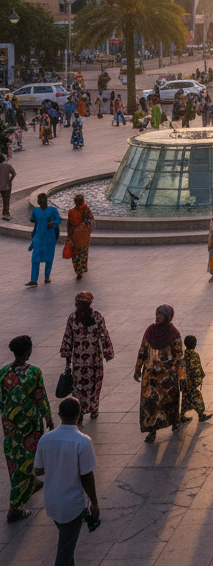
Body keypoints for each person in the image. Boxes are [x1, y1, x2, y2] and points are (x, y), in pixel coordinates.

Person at [32, 396, 99, 561]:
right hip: (72, 505)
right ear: (79, 414)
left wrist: (56, 464)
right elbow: (86, 476)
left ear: (59, 414)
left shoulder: (45, 439)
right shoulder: (83, 442)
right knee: (65, 552)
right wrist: (94, 503)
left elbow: (38, 470)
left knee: (67, 546)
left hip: (52, 502)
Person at [2, 334, 53, 522]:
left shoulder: (3, 373)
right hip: (30, 427)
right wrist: (48, 417)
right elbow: (40, 397)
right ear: (28, 352)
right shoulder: (34, 373)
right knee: (25, 463)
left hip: (10, 428)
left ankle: (31, 484)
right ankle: (15, 506)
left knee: (15, 460)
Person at [134, 304, 187, 442]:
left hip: (167, 378)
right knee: (150, 404)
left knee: (169, 403)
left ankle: (174, 422)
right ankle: (152, 430)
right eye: (157, 314)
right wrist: (137, 369)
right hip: (150, 377)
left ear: (168, 317)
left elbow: (179, 356)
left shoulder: (174, 334)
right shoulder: (150, 331)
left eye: (161, 315)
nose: (157, 317)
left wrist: (181, 376)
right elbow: (142, 351)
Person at [59, 292, 114, 423]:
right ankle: (81, 411)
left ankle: (94, 408)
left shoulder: (97, 317)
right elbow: (68, 335)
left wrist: (107, 351)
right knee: (78, 386)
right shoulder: (72, 318)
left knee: (95, 385)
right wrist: (66, 353)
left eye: (79, 303)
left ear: (87, 304)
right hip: (78, 360)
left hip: (94, 359)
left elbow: (104, 334)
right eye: (76, 303)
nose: (76, 305)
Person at [26, 192, 61, 287]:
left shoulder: (53, 210)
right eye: (40, 200)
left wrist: (52, 222)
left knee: (48, 258)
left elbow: (58, 220)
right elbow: (32, 219)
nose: (41, 202)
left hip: (49, 237)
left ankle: (47, 277)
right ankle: (34, 279)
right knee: (35, 258)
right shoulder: (36, 210)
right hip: (38, 236)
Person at [181, 335, 213, 422]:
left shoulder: (183, 355)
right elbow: (196, 368)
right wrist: (200, 377)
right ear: (195, 344)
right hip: (192, 382)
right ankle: (201, 415)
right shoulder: (195, 355)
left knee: (185, 399)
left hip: (185, 382)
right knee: (197, 398)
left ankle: (181, 416)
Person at [65, 194, 94, 280]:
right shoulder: (86, 209)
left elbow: (69, 225)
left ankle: (78, 270)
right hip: (84, 236)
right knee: (83, 252)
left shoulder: (71, 212)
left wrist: (69, 236)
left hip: (75, 235)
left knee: (76, 253)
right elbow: (92, 221)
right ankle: (83, 267)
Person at [0, 154, 15, 221]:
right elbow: (14, 173)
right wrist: (10, 180)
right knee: (6, 200)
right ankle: (6, 213)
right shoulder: (7, 166)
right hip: (7, 186)